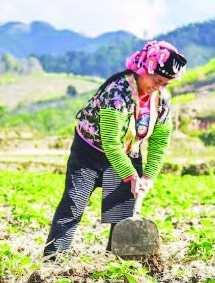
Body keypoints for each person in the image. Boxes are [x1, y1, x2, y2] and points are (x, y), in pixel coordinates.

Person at [43, 40, 187, 259]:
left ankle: (117, 262)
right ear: (142, 70)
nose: (159, 87)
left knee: (122, 213)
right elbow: (111, 142)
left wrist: (148, 176)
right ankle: (52, 259)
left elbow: (160, 140)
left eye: (165, 84)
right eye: (157, 80)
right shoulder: (117, 92)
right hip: (88, 154)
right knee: (73, 206)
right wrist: (130, 175)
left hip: (129, 152)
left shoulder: (161, 102)